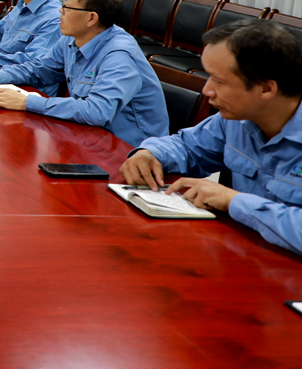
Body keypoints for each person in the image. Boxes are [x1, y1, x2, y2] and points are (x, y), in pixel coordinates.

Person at [120, 20, 302, 254]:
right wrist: (150, 153)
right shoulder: (236, 119)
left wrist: (234, 201)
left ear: (266, 89)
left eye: (219, 81)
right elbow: (187, 147)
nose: (206, 90)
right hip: (241, 254)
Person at [0, 0, 168, 146]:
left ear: (91, 18)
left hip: (128, 153)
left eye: (66, 6)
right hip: (87, 137)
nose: (60, 10)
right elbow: (39, 69)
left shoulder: (119, 55)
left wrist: (27, 102)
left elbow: (97, 111)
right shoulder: (71, 38)